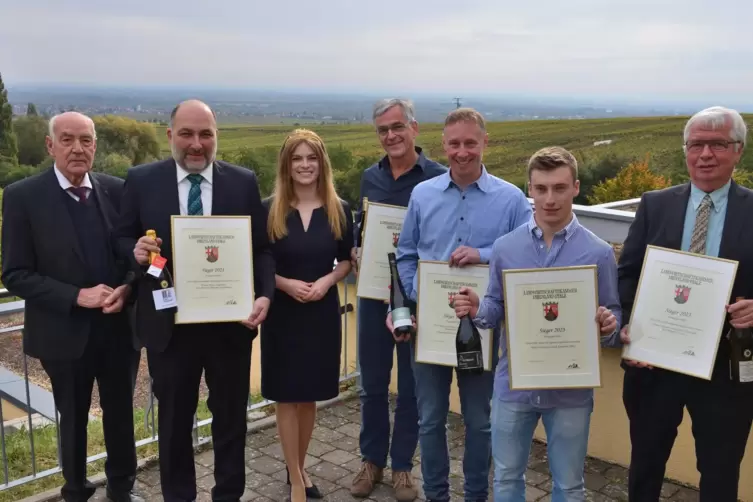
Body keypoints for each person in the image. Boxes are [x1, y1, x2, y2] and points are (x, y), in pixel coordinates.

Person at [113, 100, 276, 502]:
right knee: (172, 425)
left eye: (206, 134)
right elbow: (120, 238)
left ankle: (228, 495)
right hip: (169, 327)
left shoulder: (242, 182)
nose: (197, 144)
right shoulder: (141, 180)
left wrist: (265, 294)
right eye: (187, 133)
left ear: (217, 135)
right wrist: (133, 251)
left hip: (230, 326)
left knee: (231, 422)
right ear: (171, 135)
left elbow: (261, 250)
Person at [451, 146, 621, 501]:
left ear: (576, 187)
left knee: (570, 485)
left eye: (559, 188)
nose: (550, 199)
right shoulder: (505, 248)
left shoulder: (598, 253)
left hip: (571, 391)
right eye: (541, 188)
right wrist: (478, 307)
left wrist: (609, 325)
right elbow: (497, 306)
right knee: (507, 479)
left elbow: (612, 316)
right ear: (529, 188)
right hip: (514, 385)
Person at [386, 108, 533, 502]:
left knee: (480, 422)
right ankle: (436, 495)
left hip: (483, 327)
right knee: (430, 420)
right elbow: (405, 255)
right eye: (454, 143)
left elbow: (524, 260)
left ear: (485, 142)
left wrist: (482, 253)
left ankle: (475, 495)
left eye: (470, 142)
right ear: (443, 146)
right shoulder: (422, 195)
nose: (462, 152)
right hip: (430, 327)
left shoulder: (512, 199)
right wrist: (417, 296)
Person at [1, 112, 143, 502]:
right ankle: (76, 491)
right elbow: (14, 274)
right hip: (63, 333)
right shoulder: (23, 197)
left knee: (120, 417)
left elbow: (136, 260)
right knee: (74, 419)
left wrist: (128, 291)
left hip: (118, 330)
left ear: (95, 145)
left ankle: (122, 489)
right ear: (50, 146)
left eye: (86, 140)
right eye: (67, 140)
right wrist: (76, 296)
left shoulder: (117, 190)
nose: (78, 148)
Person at [618, 105, 753, 501]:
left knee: (720, 471)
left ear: (738, 150)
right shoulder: (655, 203)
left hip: (724, 371)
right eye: (696, 144)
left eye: (717, 144)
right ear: (686, 151)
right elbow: (627, 272)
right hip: (655, 362)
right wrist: (629, 324)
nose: (705, 154)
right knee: (645, 463)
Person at [350, 98, 446, 501]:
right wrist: (357, 249)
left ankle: (403, 467)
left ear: (413, 128)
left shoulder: (437, 178)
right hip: (374, 295)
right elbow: (364, 225)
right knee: (372, 384)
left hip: (417, 298)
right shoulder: (370, 177)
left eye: (396, 127)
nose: (390, 136)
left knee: (411, 387)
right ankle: (371, 461)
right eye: (383, 130)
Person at [261, 128, 354, 502]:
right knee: (287, 396)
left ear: (321, 163)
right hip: (283, 314)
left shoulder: (339, 208)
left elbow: (348, 260)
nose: (304, 165)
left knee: (309, 396)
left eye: (311, 158)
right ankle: (297, 482)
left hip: (321, 314)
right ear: (287, 164)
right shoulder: (269, 208)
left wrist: (327, 281)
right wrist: (285, 285)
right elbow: (260, 262)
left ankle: (298, 467)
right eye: (297, 158)